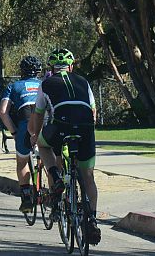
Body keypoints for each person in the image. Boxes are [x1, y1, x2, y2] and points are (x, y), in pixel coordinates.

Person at [27, 48, 101, 245]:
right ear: (71, 66)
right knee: (88, 177)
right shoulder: (83, 82)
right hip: (85, 129)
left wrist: (35, 135)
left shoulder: (46, 83)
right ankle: (92, 219)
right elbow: (93, 113)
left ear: (52, 67)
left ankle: (57, 177)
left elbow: (39, 114)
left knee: (43, 146)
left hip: (61, 127)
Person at [0, 56, 43, 213]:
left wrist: (15, 132)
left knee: (22, 162)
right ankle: (55, 196)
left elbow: (3, 112)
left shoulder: (14, 86)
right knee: (50, 159)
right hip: (44, 124)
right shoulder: (44, 84)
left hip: (25, 125)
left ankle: (25, 196)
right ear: (38, 71)